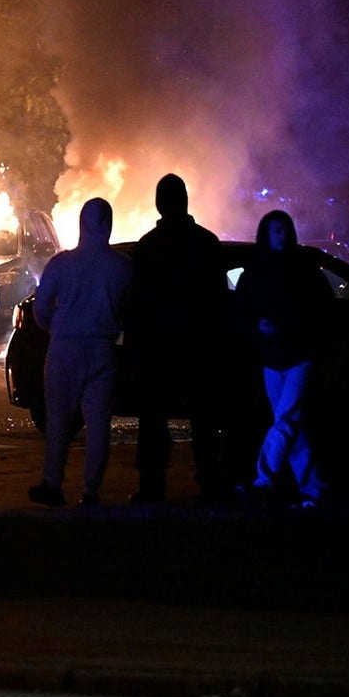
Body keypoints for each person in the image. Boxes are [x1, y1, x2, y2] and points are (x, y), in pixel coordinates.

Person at [124, 173, 235, 504]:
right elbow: (219, 299)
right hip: (198, 347)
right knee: (204, 419)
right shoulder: (207, 243)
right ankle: (210, 481)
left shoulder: (146, 247)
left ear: (159, 204)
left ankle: (151, 486)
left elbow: (137, 303)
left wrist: (135, 350)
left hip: (158, 350)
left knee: (153, 420)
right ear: (185, 201)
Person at [28, 196, 133, 507]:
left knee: (58, 421)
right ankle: (91, 491)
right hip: (103, 350)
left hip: (64, 349)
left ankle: (53, 484)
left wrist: (55, 330)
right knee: (98, 424)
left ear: (81, 225)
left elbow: (41, 307)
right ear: (109, 226)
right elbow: (129, 311)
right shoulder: (122, 267)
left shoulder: (61, 264)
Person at [233, 208, 330, 508]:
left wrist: (290, 327)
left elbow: (321, 310)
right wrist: (257, 328)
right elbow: (241, 313)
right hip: (271, 360)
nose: (282, 234)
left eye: (285, 229)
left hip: (299, 357)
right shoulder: (255, 273)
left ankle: (263, 479)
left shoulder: (304, 269)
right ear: (265, 234)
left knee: (286, 420)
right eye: (276, 230)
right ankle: (313, 489)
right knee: (291, 426)